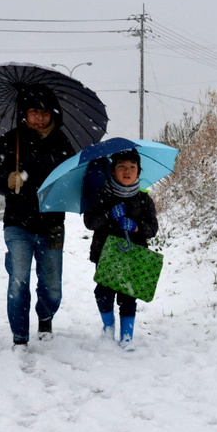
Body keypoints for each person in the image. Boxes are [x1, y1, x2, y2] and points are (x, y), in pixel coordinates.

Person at [0, 85, 75, 348]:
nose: (39, 117)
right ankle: (20, 336)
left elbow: (72, 178)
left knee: (52, 286)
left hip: (52, 224)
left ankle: (45, 317)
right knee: (18, 280)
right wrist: (7, 179)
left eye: (44, 112)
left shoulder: (62, 143)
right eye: (34, 111)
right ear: (24, 113)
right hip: (17, 224)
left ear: (52, 114)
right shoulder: (9, 140)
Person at [83, 149, 159, 351]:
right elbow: (89, 221)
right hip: (106, 254)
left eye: (132, 167)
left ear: (138, 172)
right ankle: (108, 328)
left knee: (128, 296)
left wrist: (135, 227)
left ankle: (127, 336)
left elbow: (152, 228)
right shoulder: (102, 195)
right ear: (112, 171)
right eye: (121, 166)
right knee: (103, 293)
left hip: (133, 255)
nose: (127, 171)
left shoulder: (144, 200)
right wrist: (108, 214)